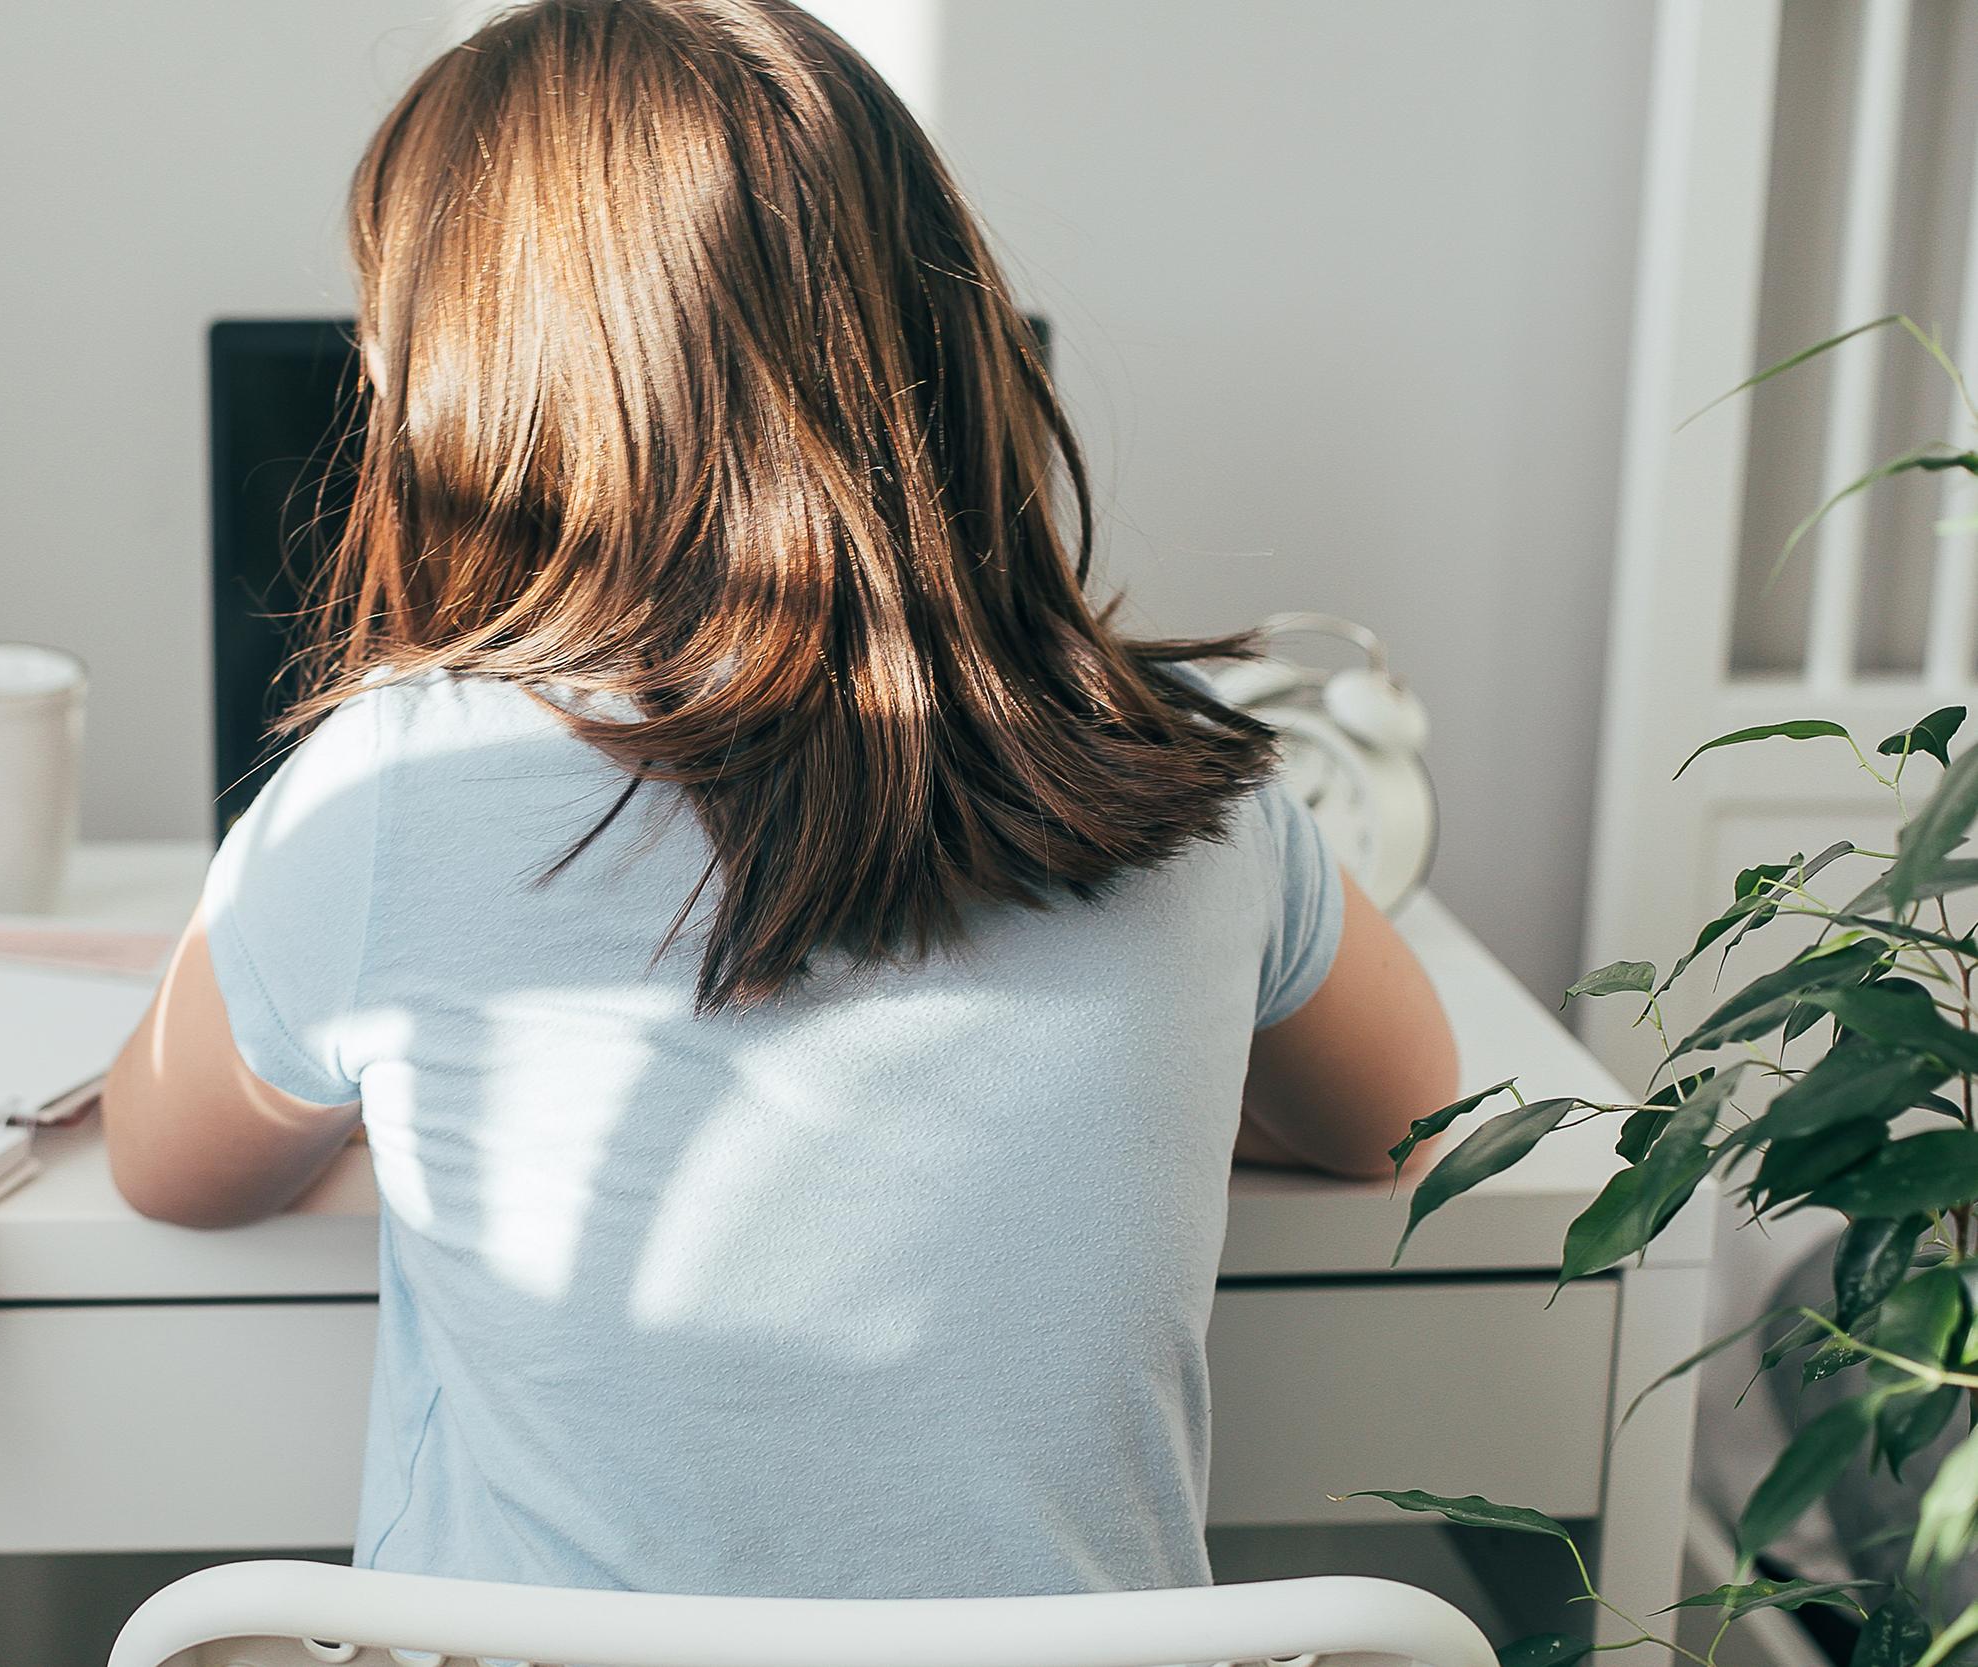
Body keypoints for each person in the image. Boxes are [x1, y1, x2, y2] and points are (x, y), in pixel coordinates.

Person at [104, 0, 1456, 1601]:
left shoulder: (395, 786)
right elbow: (1404, 1119)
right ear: (929, 336)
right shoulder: (1184, 775)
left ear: (464, 388)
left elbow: (170, 1169)